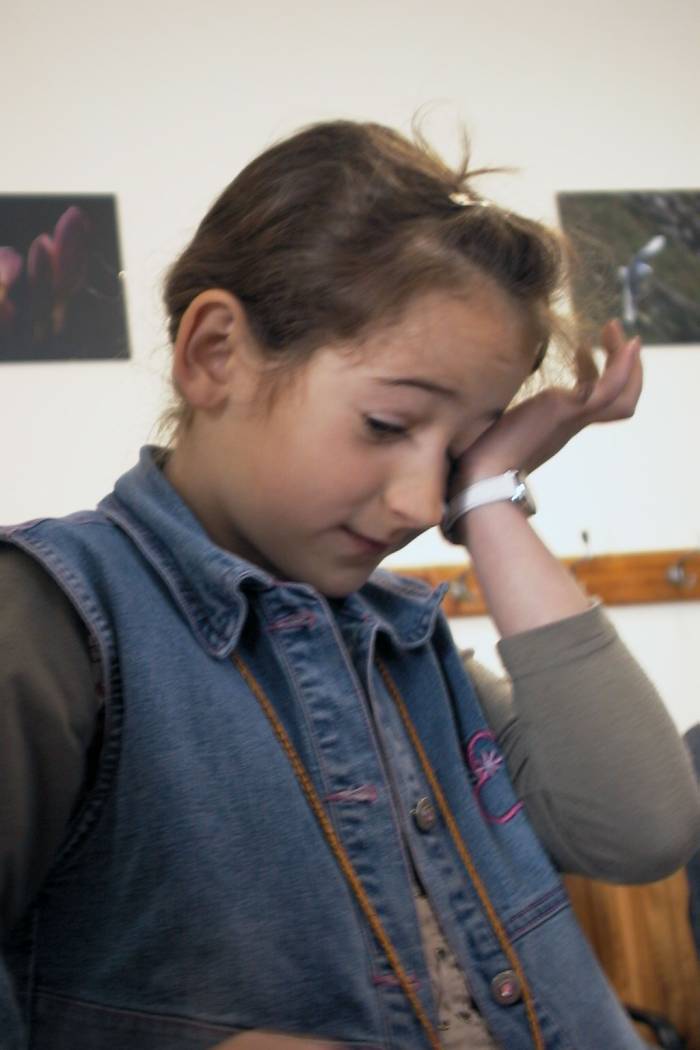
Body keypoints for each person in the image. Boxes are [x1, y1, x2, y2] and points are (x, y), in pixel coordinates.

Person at [1, 120, 698, 1050]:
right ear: (215, 353)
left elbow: (641, 829)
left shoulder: (400, 642)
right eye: (386, 424)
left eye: (459, 451)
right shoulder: (50, 621)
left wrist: (490, 498)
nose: (421, 501)